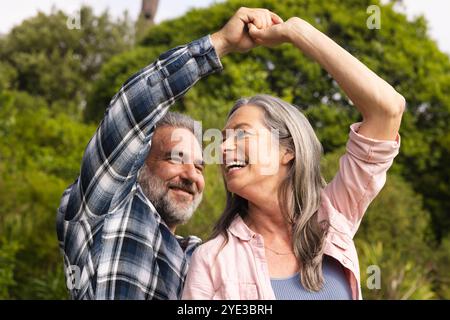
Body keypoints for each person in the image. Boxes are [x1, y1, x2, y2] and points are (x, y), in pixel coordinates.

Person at [56, 7, 283, 299]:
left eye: (200, 167)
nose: (191, 176)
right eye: (176, 158)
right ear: (137, 167)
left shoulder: (204, 258)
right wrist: (220, 43)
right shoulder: (104, 212)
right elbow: (130, 111)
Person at [182, 15, 405, 300]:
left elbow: (387, 108)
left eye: (241, 134)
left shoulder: (333, 215)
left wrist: (297, 32)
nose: (223, 150)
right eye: (223, 139)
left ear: (288, 151)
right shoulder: (213, 260)